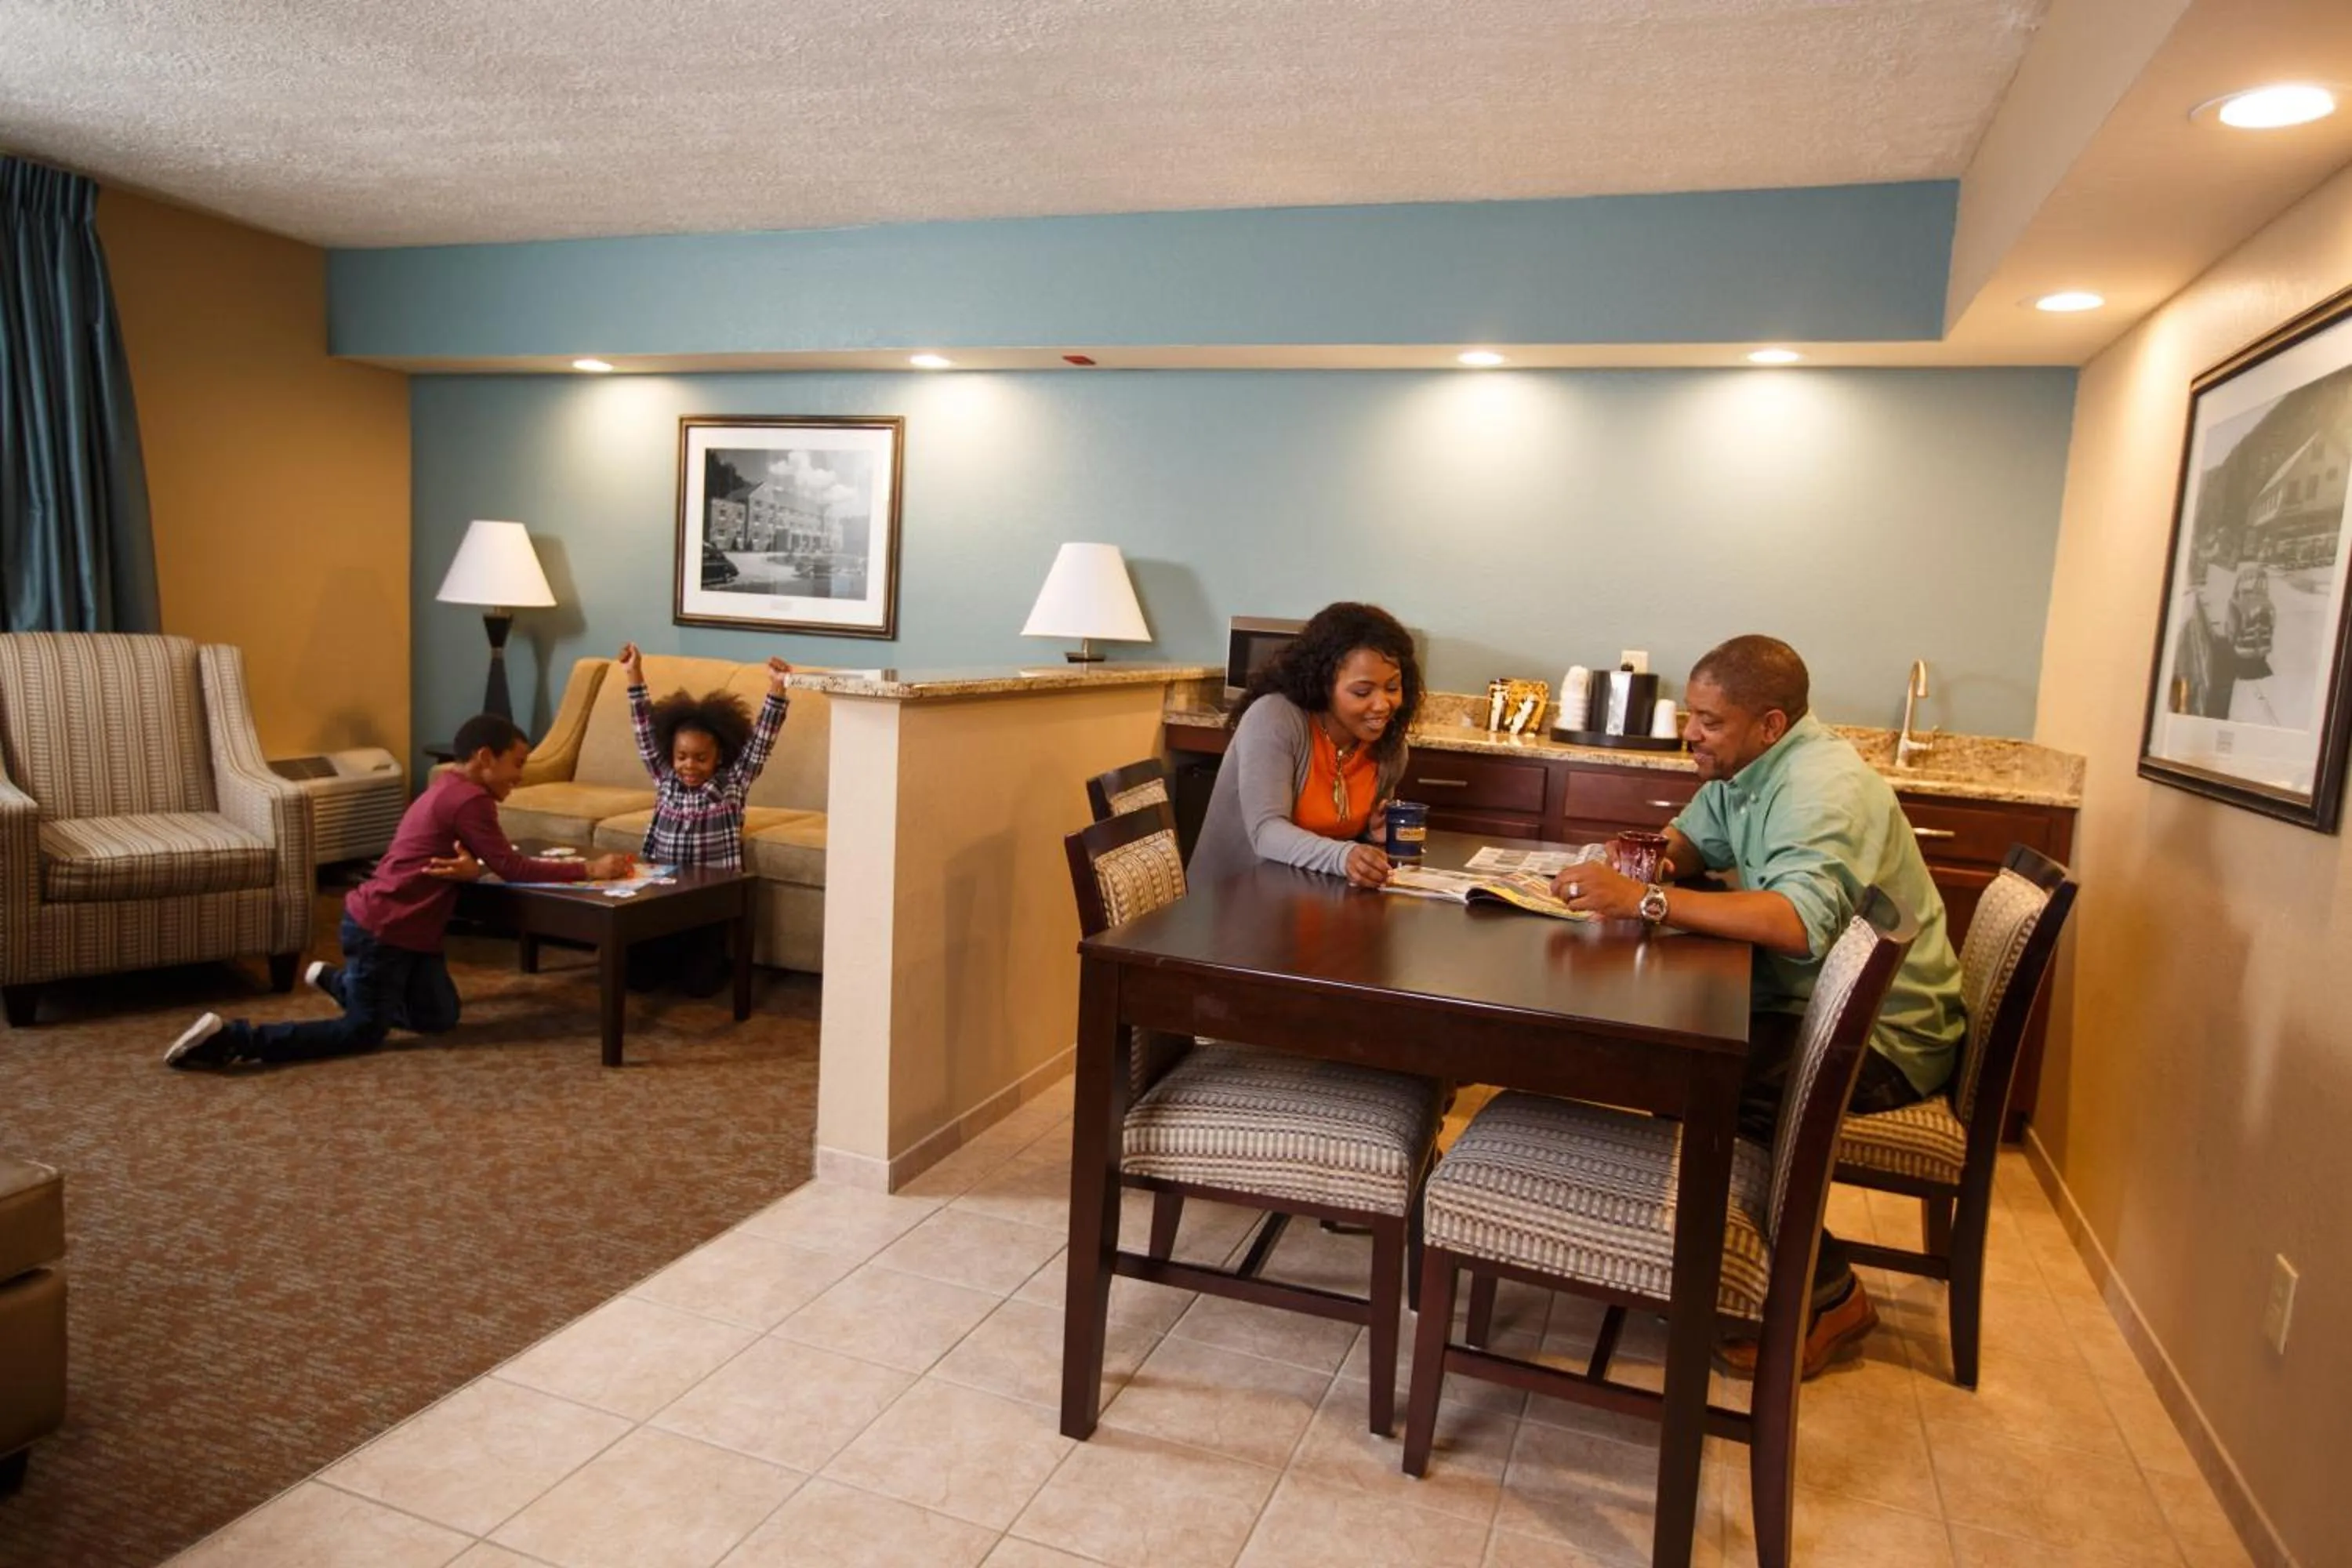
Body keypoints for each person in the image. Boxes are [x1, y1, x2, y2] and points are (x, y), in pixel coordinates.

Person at [1548, 634, 1965, 1377]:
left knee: (1706, 1083)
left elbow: (1798, 925)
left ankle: (1830, 1293)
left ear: (1769, 725)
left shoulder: (1822, 790)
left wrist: (1645, 898)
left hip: (1888, 1037)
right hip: (1804, 1004)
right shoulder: (1745, 769)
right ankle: (1699, 1249)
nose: (1691, 733)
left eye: (1709, 721)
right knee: (1677, 1050)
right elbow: (1690, 842)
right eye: (1693, 715)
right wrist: (1646, 862)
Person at [165, 713, 632, 1069]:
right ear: (485, 758)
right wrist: (591, 867)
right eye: (517, 764)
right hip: (386, 929)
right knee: (362, 1033)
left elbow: (463, 856)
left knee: (439, 1018)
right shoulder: (470, 799)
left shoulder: (448, 784)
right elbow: (509, 866)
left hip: (411, 933)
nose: (521, 775)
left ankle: (342, 982)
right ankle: (232, 1039)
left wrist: (473, 868)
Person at [1189, 601, 1423, 889]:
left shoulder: (1390, 750)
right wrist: (1345, 856)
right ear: (1323, 683)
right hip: (1230, 904)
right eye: (1362, 692)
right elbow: (1266, 831)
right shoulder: (1275, 718)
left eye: (1392, 688)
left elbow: (1343, 842)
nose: (1382, 705)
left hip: (1311, 903)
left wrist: (1371, 835)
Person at [612, 641, 792, 993]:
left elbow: (763, 740)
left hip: (708, 896)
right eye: (682, 756)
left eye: (700, 758)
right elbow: (643, 731)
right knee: (638, 975)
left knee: (700, 985)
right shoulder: (664, 778)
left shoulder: (732, 784)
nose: (689, 766)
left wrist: (777, 687)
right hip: (662, 889)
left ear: (719, 756)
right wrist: (634, 674)